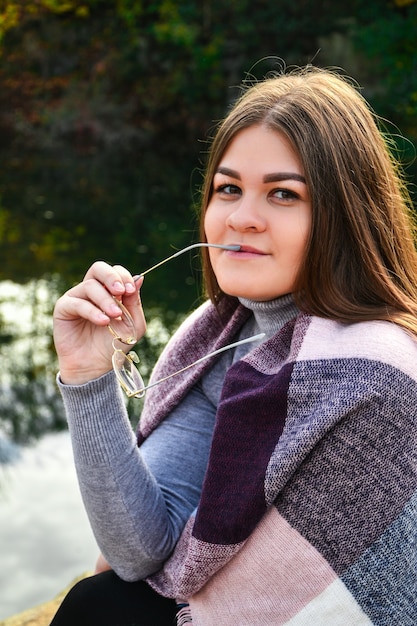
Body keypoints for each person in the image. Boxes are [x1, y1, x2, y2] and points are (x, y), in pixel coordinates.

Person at [50, 66, 417, 625]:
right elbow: (140, 550)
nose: (243, 217)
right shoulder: (222, 336)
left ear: (343, 215)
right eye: (228, 189)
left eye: (283, 194)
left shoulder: (376, 377)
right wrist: (87, 375)